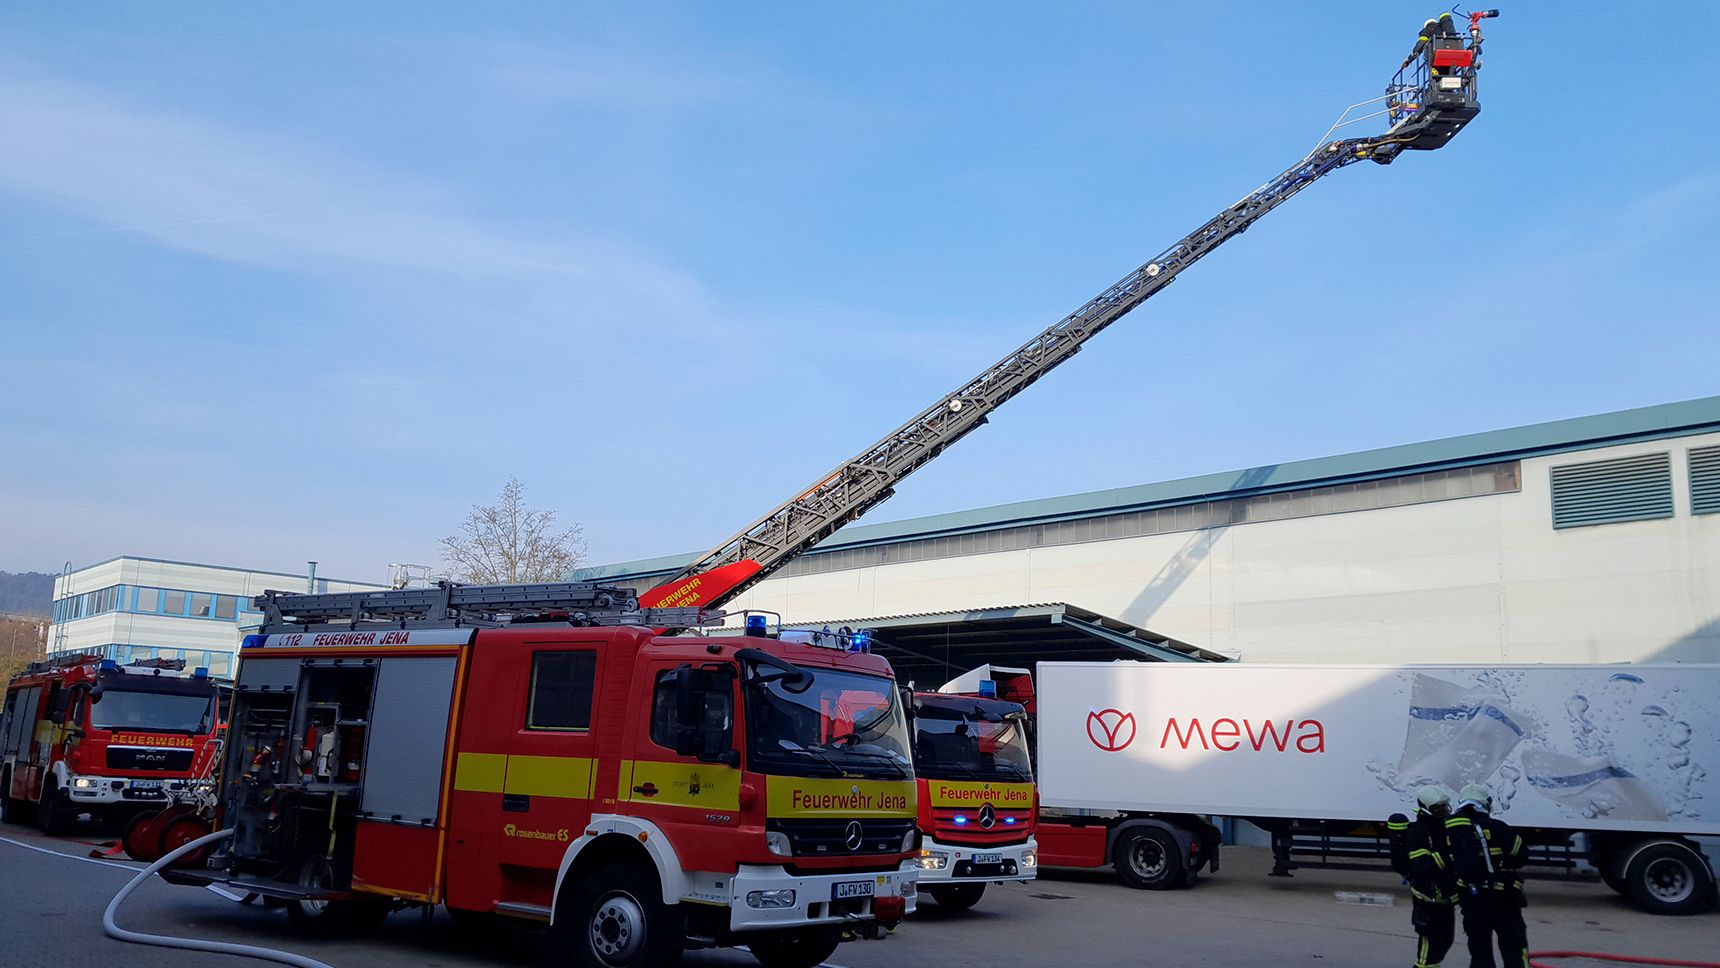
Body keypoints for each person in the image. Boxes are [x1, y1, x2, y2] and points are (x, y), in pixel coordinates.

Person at [1446, 783, 1529, 968]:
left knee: (1479, 949)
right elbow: (1521, 856)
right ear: (1486, 803)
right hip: (1504, 899)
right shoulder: (1499, 827)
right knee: (1514, 947)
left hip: (1472, 899)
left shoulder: (1451, 831)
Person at [1388, 786, 1460, 968]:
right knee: (1430, 944)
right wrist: (1451, 857)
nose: (1444, 811)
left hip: (1445, 898)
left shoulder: (1444, 827)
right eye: (1438, 808)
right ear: (1426, 808)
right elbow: (1423, 866)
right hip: (1428, 897)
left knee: (1445, 941)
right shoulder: (1418, 832)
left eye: (1445, 806)